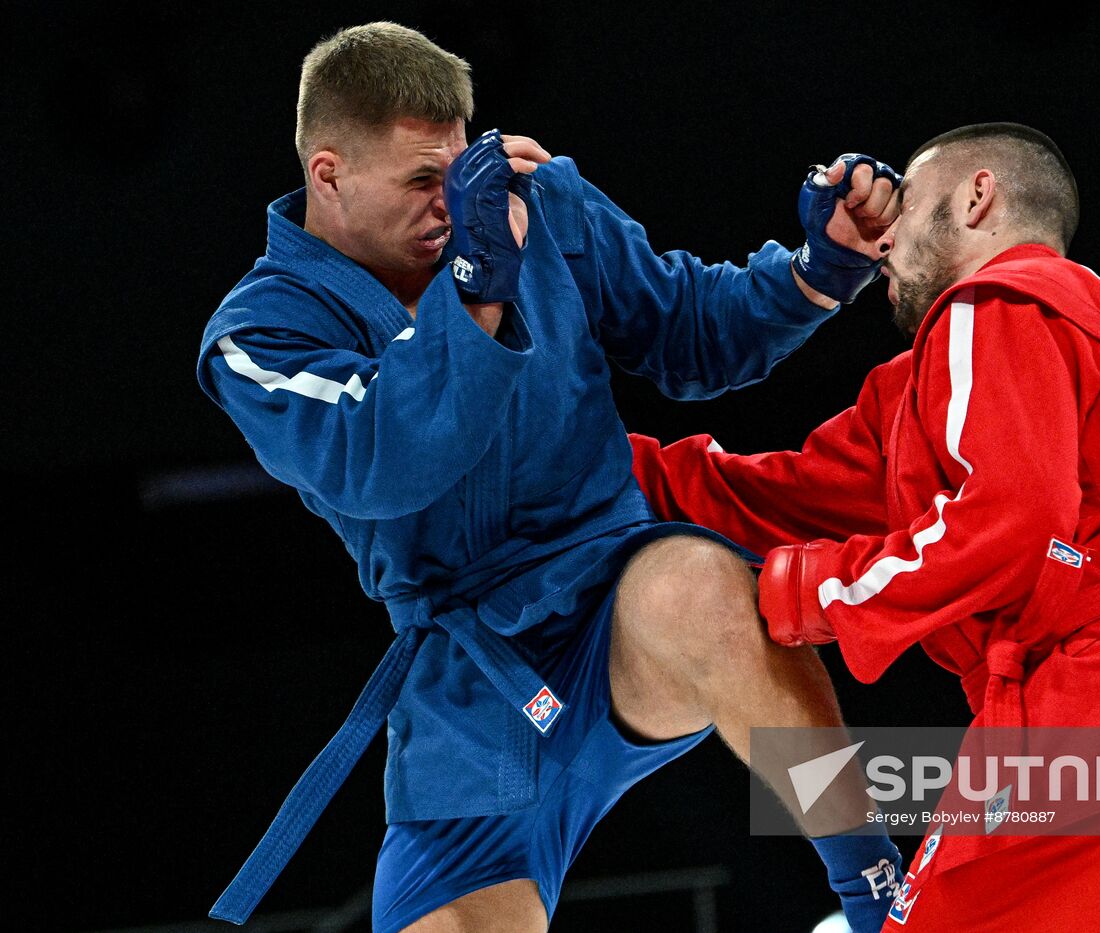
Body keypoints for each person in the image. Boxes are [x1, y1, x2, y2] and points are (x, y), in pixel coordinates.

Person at [195, 21, 907, 933]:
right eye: (421, 182)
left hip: (613, 596)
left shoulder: (535, 206)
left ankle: (882, 898)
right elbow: (380, 459)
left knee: (702, 581)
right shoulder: (258, 334)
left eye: (456, 174)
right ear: (327, 174)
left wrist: (817, 271)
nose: (451, 205)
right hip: (467, 684)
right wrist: (477, 285)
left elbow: (686, 329)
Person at [631, 122, 1100, 930]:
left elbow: (1009, 526)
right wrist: (583, 461)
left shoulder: (999, 299)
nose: (888, 232)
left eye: (906, 203)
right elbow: (770, 499)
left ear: (977, 198)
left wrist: (804, 592)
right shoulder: (929, 390)